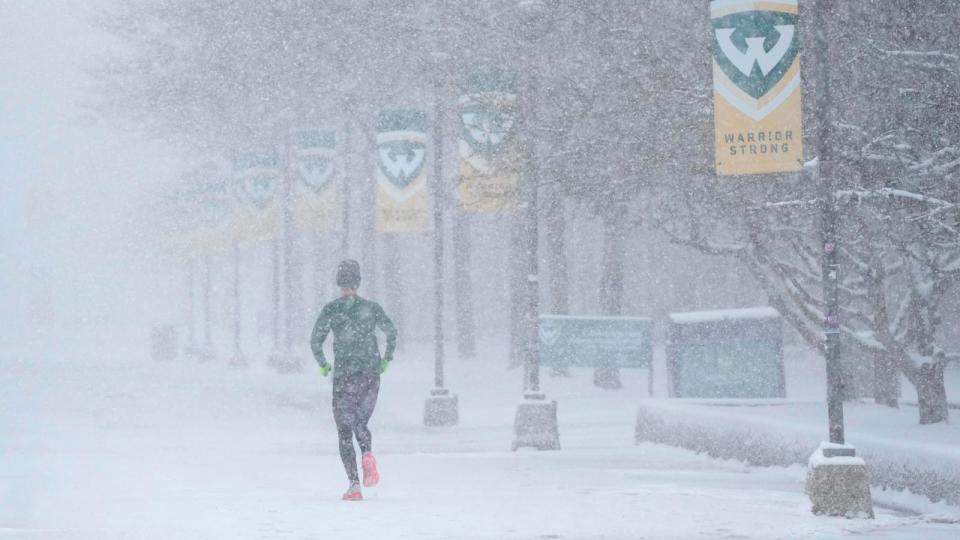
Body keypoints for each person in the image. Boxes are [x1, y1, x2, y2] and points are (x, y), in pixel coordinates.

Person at [310, 259, 397, 501]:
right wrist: (386, 358)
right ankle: (367, 453)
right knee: (361, 421)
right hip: (370, 374)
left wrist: (324, 364)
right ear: (358, 282)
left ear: (339, 282)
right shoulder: (371, 308)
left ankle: (354, 484)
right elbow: (391, 331)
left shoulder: (332, 310)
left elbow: (315, 341)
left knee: (344, 430)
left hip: (344, 376)